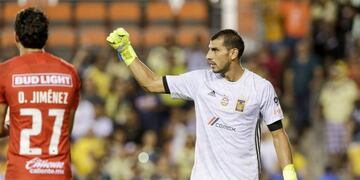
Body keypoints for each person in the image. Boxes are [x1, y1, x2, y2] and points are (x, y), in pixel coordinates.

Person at [106, 27, 297, 180]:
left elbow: (278, 135)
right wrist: (126, 51)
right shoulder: (200, 81)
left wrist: (289, 175)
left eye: (215, 50)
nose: (208, 56)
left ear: (233, 53)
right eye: (208, 49)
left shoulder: (260, 87)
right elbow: (151, 83)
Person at [0, 7, 80, 180]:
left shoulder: (5, 72)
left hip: (21, 173)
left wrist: (12, 125)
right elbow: (66, 128)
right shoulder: (69, 73)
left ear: (16, 37)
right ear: (46, 38)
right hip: (58, 172)